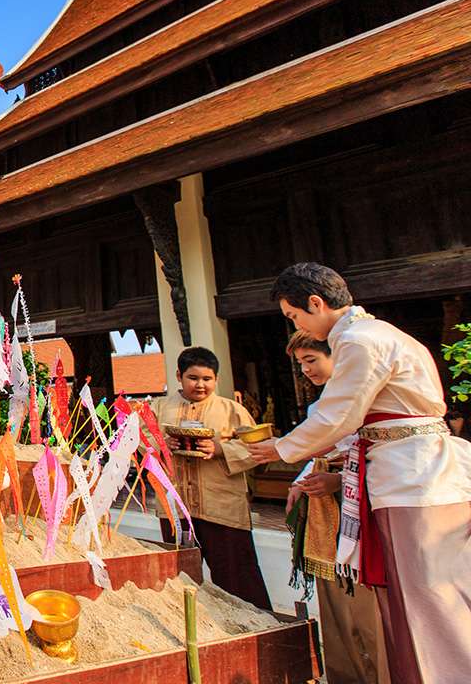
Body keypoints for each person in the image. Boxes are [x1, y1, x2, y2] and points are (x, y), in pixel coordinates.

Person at [250, 262, 471, 683]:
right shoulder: (385, 334)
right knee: (432, 593)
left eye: (295, 316)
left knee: (424, 598)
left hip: (412, 479)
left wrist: (279, 448)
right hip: (420, 472)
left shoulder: (358, 340)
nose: (296, 324)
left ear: (315, 303)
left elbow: (339, 414)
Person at [284, 330, 387, 684]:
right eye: (301, 364)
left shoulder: (367, 399)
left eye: (311, 360)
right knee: (335, 604)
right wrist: (302, 481)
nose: (306, 370)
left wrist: (337, 481)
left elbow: (376, 456)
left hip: (364, 512)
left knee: (367, 608)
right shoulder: (320, 406)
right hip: (327, 517)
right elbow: (318, 453)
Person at [154, 346, 273, 609]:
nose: (200, 385)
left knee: (237, 578)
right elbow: (139, 442)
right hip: (175, 507)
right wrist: (164, 443)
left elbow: (259, 449)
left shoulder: (232, 410)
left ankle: (255, 628)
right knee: (180, 578)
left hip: (222, 507)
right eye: (193, 378)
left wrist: (219, 449)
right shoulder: (159, 407)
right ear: (179, 376)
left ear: (216, 379)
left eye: (207, 379)